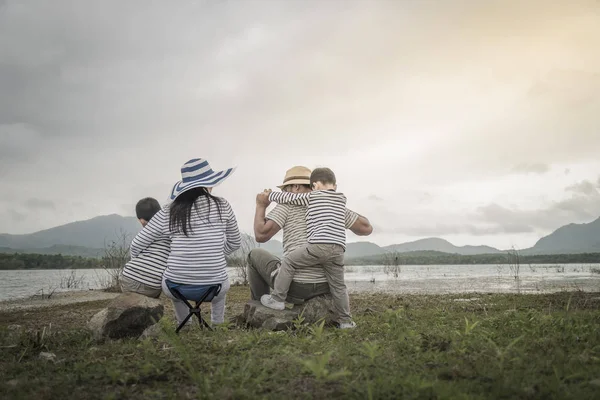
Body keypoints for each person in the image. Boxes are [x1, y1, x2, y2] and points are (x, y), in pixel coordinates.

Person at [249, 166, 373, 329]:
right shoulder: (333, 206)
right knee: (338, 284)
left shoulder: (286, 205)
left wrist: (261, 205)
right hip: (325, 285)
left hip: (297, 288)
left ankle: (267, 305)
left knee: (255, 254)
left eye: (287, 188)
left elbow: (261, 235)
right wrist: (345, 211)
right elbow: (366, 228)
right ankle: (346, 321)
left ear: (295, 187)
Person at [130, 158, 241, 326]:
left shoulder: (169, 211)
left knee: (172, 280)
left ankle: (185, 323)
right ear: (208, 184)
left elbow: (136, 244)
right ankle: (217, 324)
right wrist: (214, 254)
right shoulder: (223, 206)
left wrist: (138, 261)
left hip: (176, 287)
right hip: (214, 288)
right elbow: (234, 243)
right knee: (221, 284)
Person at [120, 197, 170, 298]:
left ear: (142, 221)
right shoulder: (171, 232)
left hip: (128, 277)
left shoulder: (144, 235)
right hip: (153, 285)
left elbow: (134, 247)